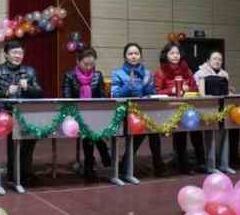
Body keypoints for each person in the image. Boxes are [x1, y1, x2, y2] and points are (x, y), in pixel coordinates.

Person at [193, 51, 240, 165]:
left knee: (235, 120)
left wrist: (230, 91)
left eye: (220, 59)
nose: (217, 61)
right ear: (208, 61)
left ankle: (233, 157)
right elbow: (198, 92)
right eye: (214, 59)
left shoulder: (224, 74)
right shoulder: (199, 74)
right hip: (207, 107)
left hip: (224, 107)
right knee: (232, 117)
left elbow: (226, 92)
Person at [0, 40, 43, 185]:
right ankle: (14, 174)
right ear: (6, 54)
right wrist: (5, 92)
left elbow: (39, 92)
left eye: (21, 53)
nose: (18, 56)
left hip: (26, 113)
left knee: (29, 142)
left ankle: (25, 173)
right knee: (14, 140)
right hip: (5, 113)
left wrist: (28, 87)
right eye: (14, 52)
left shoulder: (30, 71)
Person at [112, 43, 165, 177]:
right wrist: (127, 87)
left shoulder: (147, 73)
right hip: (126, 112)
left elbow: (152, 94)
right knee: (143, 127)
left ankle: (157, 165)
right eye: (130, 54)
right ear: (125, 56)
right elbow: (115, 95)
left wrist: (148, 88)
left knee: (153, 128)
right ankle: (126, 165)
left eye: (136, 53)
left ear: (140, 56)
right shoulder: (118, 73)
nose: (133, 56)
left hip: (145, 111)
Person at [62, 48, 110, 180]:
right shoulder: (69, 76)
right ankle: (100, 154)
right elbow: (66, 98)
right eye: (85, 64)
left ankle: (90, 165)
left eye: (92, 64)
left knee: (90, 127)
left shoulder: (97, 75)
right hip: (75, 114)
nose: (89, 67)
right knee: (88, 128)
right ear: (78, 61)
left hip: (94, 113)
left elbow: (101, 97)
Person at [155, 42, 203, 174]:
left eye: (177, 53)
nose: (175, 56)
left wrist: (188, 89)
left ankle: (202, 162)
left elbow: (196, 89)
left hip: (188, 107)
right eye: (172, 53)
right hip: (170, 109)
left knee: (197, 129)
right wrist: (171, 90)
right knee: (180, 132)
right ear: (166, 55)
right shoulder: (160, 72)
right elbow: (157, 91)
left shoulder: (187, 71)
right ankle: (183, 164)